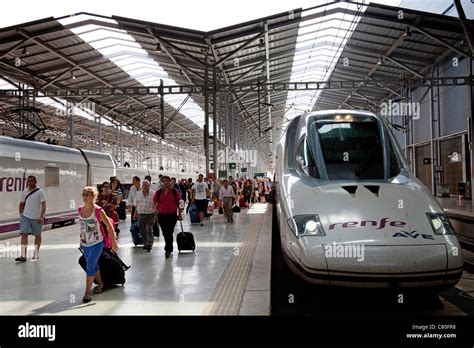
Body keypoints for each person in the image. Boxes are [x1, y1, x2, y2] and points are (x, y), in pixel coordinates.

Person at [78, 186, 118, 303]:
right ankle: (100, 284)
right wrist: (80, 241)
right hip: (85, 244)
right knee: (94, 265)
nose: (85, 197)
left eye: (87, 194)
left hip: (97, 243)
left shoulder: (98, 211)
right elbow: (82, 228)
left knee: (90, 265)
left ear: (93, 196)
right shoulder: (80, 210)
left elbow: (109, 226)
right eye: (83, 194)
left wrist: (114, 243)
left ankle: (87, 293)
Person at [15, 175, 46, 262]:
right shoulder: (25, 191)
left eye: (31, 181)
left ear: (35, 182)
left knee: (37, 235)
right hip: (25, 217)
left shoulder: (40, 192)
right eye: (28, 181)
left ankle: (36, 254)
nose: (29, 183)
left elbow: (43, 205)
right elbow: (21, 204)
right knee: (24, 234)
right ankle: (23, 255)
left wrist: (41, 216)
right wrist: (21, 215)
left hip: (37, 218)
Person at [153, 176, 182, 259]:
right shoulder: (158, 192)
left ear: (170, 182)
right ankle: (169, 247)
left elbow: (180, 203)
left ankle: (168, 249)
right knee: (165, 232)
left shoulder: (174, 191)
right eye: (163, 181)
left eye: (166, 181)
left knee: (169, 231)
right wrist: (154, 209)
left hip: (172, 215)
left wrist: (180, 213)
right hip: (161, 215)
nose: (165, 182)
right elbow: (154, 201)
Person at [133, 180, 156, 251]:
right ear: (141, 186)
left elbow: (156, 204)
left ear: (149, 186)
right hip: (140, 214)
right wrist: (135, 214)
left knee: (148, 229)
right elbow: (136, 205)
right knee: (142, 231)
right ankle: (145, 244)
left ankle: (149, 244)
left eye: (146, 185)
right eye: (143, 185)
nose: (145, 186)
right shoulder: (138, 194)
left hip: (150, 214)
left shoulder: (153, 193)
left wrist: (156, 212)